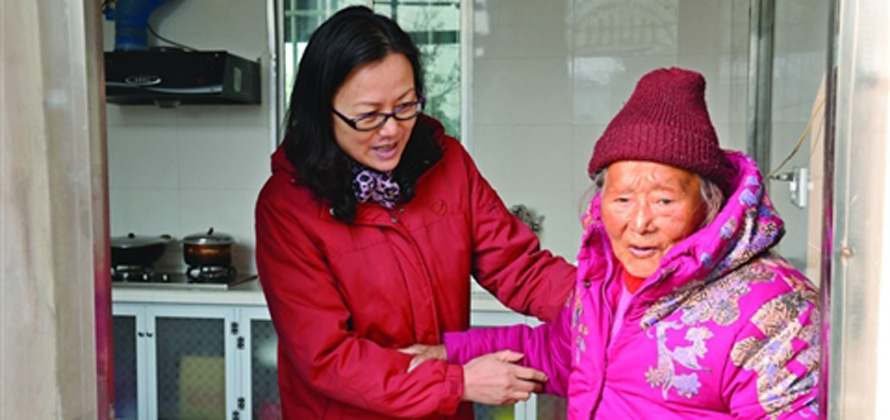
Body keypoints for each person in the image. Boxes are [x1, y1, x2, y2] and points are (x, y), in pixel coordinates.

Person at [410, 68, 821, 419]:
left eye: (663, 200)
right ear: (600, 201)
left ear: (708, 202)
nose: (639, 223)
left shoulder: (777, 311)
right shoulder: (607, 279)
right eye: (623, 199)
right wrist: (445, 353)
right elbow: (564, 352)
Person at [254, 6, 575, 419]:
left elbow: (519, 267)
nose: (391, 130)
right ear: (322, 111)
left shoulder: (447, 165)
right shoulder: (287, 207)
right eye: (368, 115)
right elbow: (327, 356)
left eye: (406, 107)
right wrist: (458, 383)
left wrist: (608, 300)